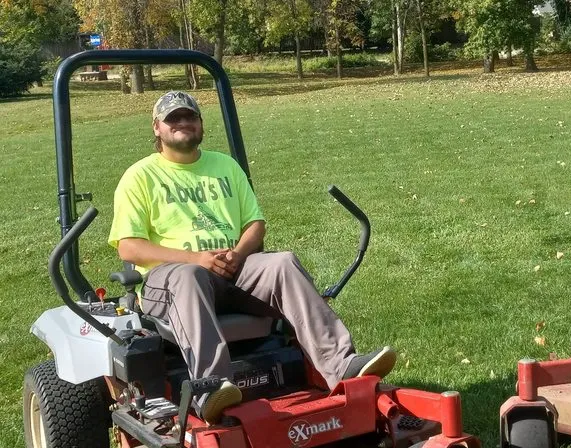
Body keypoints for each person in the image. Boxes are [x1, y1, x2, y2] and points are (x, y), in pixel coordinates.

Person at [109, 91, 396, 423]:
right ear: (157, 128)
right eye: (173, 118)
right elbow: (128, 247)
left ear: (201, 124)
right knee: (191, 277)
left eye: (190, 116)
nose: (183, 123)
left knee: (282, 262)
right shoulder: (140, 176)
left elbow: (255, 224)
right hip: (172, 280)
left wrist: (238, 253)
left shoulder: (225, 166)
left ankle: (342, 365)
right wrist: (194, 259)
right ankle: (212, 388)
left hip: (232, 268)